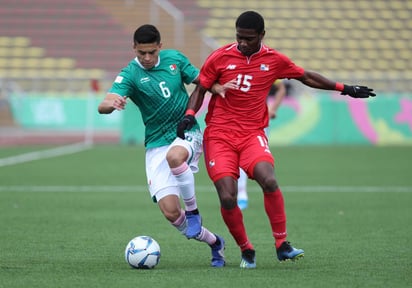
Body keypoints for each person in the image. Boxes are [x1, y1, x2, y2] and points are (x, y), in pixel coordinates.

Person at [176, 11, 375, 269]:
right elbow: (201, 88)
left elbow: (306, 76)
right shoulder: (220, 57)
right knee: (228, 197)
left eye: (249, 38)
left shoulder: (273, 59)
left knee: (268, 179)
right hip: (219, 135)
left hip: (252, 134)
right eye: (239, 37)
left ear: (261, 35)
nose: (243, 43)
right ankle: (246, 249)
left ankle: (282, 244)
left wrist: (345, 88)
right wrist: (190, 114)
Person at [97, 24, 225, 267]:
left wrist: (216, 87)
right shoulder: (130, 74)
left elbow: (202, 80)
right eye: (141, 53)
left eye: (151, 52)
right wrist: (111, 103)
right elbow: (103, 104)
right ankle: (215, 242)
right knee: (171, 213)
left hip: (186, 132)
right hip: (156, 143)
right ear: (134, 48)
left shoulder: (174, 59)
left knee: (175, 158)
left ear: (160, 48)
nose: (146, 58)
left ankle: (194, 213)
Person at [237, 80, 287, 210]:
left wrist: (273, 109)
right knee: (237, 157)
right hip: (235, 121)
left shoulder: (263, 66)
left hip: (258, 121)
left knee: (259, 158)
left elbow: (281, 88)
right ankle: (241, 193)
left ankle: (268, 190)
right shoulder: (231, 67)